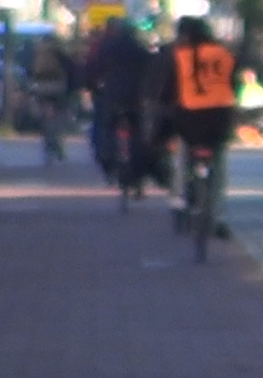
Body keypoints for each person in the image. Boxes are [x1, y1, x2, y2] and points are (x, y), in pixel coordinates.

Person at [165, 17, 238, 234]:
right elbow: (233, 82)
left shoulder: (179, 55)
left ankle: (179, 201)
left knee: (181, 156)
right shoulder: (223, 54)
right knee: (219, 165)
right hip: (219, 117)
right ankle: (217, 216)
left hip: (189, 117)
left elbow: (169, 86)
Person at [83, 16, 152, 192]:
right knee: (139, 132)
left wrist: (91, 86)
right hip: (135, 98)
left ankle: (108, 163)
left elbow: (92, 69)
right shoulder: (140, 49)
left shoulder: (106, 49)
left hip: (111, 96)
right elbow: (152, 70)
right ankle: (137, 175)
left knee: (106, 127)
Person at [30, 36, 73, 164]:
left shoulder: (38, 53)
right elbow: (70, 68)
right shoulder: (59, 53)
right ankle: (58, 145)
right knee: (59, 118)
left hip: (41, 87)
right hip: (57, 87)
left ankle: (48, 146)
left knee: (45, 118)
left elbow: (31, 70)